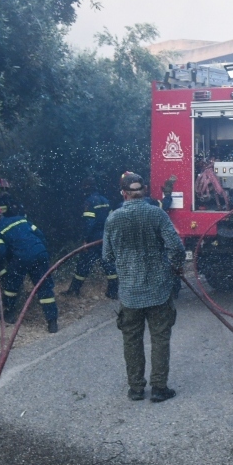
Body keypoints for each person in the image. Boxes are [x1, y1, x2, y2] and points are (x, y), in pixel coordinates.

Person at [103, 171, 185, 403]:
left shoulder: (113, 219)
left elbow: (107, 256)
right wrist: (174, 267)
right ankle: (159, 388)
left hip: (129, 293)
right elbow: (176, 248)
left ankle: (136, 389)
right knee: (160, 338)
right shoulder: (157, 215)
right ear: (145, 191)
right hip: (158, 289)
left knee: (131, 339)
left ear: (123, 194)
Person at [0, 206, 60, 333]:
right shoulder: (21, 219)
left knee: (11, 286)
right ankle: (52, 322)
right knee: (44, 287)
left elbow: (0, 251)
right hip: (40, 252)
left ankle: (9, 314)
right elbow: (40, 234)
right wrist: (41, 250)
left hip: (21, 258)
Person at [65, 177, 119, 299]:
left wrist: (85, 239)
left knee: (83, 264)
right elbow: (112, 219)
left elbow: (89, 222)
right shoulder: (105, 200)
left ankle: (74, 290)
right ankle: (113, 292)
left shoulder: (90, 202)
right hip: (105, 237)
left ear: (87, 188)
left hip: (94, 238)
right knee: (109, 264)